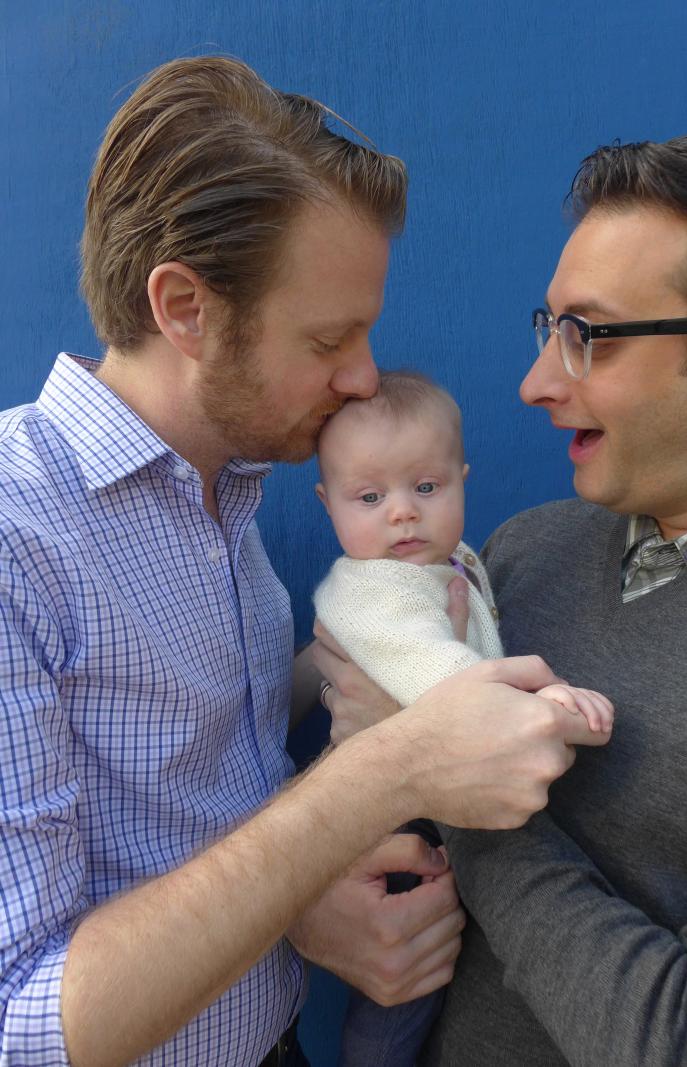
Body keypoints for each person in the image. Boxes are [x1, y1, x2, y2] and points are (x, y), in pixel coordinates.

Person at [0, 56, 611, 1067]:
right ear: (185, 308)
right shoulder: (20, 532)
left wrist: (295, 913)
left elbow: (196, 819)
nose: (364, 375)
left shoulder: (227, 495)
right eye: (329, 337)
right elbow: (28, 1024)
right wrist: (393, 765)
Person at [316, 128, 687, 1066]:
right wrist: (314, 904)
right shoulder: (523, 549)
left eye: (590, 337)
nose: (538, 384)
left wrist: (443, 762)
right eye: (550, 330)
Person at [311, 370, 613, 1066]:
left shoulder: (458, 559)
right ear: (328, 504)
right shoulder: (371, 589)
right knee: (403, 984)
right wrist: (540, 704)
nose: (403, 514)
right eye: (369, 496)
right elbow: (432, 674)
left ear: (462, 477)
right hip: (394, 820)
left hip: (444, 795)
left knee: (446, 966)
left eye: (426, 487)